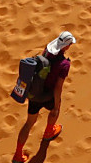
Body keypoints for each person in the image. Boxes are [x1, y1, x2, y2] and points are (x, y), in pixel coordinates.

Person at [13, 31, 76, 162]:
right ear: (65, 46)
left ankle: (18, 155)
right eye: (69, 44)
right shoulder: (65, 64)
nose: (70, 46)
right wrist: (57, 106)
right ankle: (49, 132)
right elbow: (58, 87)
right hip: (47, 95)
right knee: (55, 110)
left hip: (34, 93)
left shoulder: (47, 50)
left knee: (29, 123)